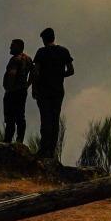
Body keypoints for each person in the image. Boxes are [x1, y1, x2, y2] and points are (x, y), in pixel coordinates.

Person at [30, 26, 74, 160]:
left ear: (44, 39)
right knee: (55, 120)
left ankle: (43, 149)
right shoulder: (64, 51)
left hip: (44, 91)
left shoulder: (41, 52)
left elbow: (36, 72)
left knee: (45, 119)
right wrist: (59, 75)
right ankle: (52, 151)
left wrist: (34, 87)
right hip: (58, 91)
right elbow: (71, 70)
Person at [0, 38, 32, 145]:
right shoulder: (28, 59)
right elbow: (34, 73)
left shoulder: (15, 59)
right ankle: (19, 140)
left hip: (13, 92)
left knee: (10, 117)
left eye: (12, 45)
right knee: (20, 115)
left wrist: (9, 87)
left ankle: (8, 140)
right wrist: (27, 84)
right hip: (22, 91)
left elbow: (12, 74)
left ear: (18, 46)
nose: (10, 47)